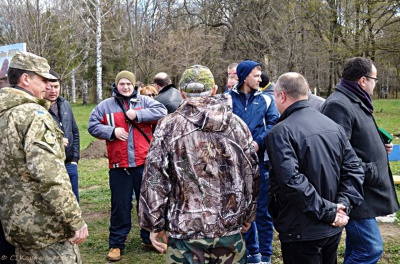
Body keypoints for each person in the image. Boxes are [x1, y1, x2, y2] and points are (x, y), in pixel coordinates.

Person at [139, 65, 260, 263]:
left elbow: (155, 179)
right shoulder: (237, 125)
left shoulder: (169, 126)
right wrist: (248, 214)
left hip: (185, 231)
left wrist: (154, 224)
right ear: (213, 89)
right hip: (227, 229)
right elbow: (252, 173)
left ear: (181, 92)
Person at [266, 72, 365, 264]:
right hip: (330, 224)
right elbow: (354, 169)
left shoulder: (280, 132)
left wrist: (336, 209)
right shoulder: (333, 126)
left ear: (281, 95)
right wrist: (340, 207)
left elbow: (291, 181)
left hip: (303, 229)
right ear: (307, 92)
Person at [0, 51, 88, 263]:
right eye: (43, 80)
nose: (48, 87)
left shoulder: (4, 113)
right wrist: (75, 219)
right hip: (46, 229)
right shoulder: (34, 116)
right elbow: (50, 176)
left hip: (16, 224)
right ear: (26, 79)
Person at [320, 57, 400, 264]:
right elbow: (335, 155)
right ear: (363, 80)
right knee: (370, 249)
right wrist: (371, 169)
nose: (376, 84)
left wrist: (379, 148)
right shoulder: (338, 105)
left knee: (358, 247)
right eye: (374, 79)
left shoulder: (354, 99)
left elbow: (352, 142)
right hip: (354, 193)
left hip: (363, 191)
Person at [88, 70, 167, 261]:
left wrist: (137, 115)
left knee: (147, 204)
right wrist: (112, 131)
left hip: (144, 163)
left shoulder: (145, 101)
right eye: (122, 84)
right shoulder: (104, 106)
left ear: (134, 86)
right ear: (117, 85)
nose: (125, 87)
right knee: (120, 205)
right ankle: (116, 244)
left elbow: (162, 112)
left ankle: (148, 238)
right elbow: (92, 125)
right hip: (119, 165)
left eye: (129, 84)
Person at [228, 60, 279, 264]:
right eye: (256, 75)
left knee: (262, 212)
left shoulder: (266, 100)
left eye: (260, 75)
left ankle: (265, 255)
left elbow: (274, 124)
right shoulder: (226, 99)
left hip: (260, 162)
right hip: (234, 164)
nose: (260, 79)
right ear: (244, 76)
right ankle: (251, 253)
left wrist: (258, 143)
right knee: (241, 210)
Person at [44, 69, 80, 203]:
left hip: (69, 162)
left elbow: (75, 132)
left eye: (56, 87)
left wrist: (75, 159)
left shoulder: (65, 104)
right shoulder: (37, 108)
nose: (53, 90)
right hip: (51, 164)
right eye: (50, 87)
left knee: (74, 201)